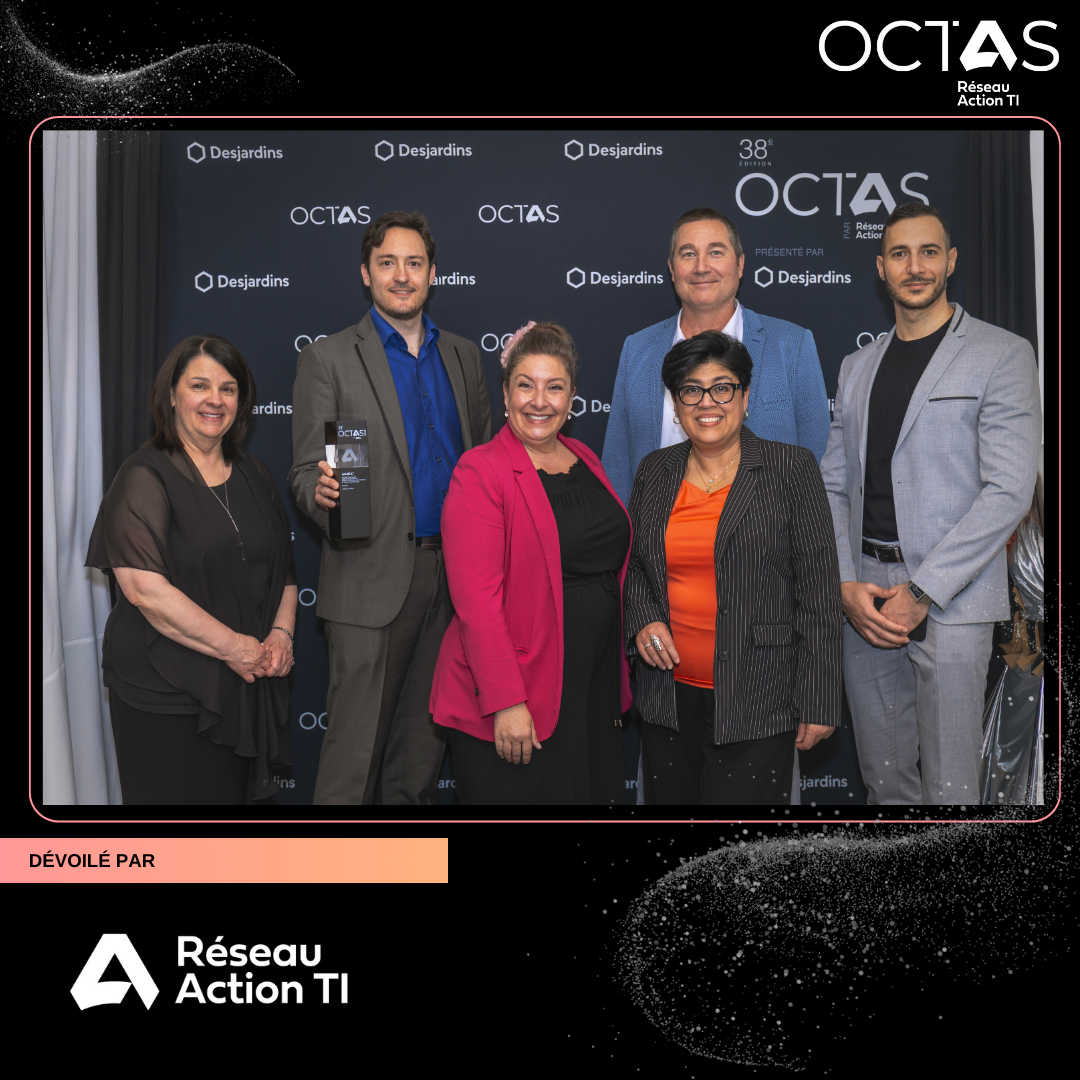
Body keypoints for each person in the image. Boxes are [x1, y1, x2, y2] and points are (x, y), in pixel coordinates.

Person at [820, 201, 1040, 805]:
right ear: (881, 268)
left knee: (951, 789)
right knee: (884, 782)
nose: (914, 266)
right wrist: (844, 582)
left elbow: (1009, 490)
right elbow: (833, 485)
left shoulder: (1002, 353)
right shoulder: (856, 367)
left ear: (951, 261)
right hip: (866, 598)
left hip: (953, 598)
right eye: (899, 254)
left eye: (928, 252)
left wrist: (921, 591)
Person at [289, 210, 491, 805]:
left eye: (414, 263)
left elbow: (481, 462)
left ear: (433, 274)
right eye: (387, 263)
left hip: (452, 580)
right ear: (365, 273)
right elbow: (305, 471)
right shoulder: (329, 358)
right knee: (352, 765)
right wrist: (321, 494)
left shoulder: (462, 355)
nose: (401, 276)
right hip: (368, 578)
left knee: (419, 764)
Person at [624, 330, 841, 804]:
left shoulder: (791, 468)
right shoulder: (654, 471)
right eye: (691, 390)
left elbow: (819, 592)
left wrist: (820, 699)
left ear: (745, 396)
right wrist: (643, 619)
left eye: (722, 388)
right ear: (676, 404)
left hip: (758, 698)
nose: (707, 402)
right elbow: (636, 566)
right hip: (667, 699)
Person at [85, 336, 295, 804]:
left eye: (228, 388)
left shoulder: (255, 473)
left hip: (243, 687)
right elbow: (144, 591)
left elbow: (284, 570)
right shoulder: (143, 477)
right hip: (166, 694)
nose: (214, 400)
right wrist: (235, 647)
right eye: (199, 385)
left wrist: (282, 636)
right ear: (172, 395)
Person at [430, 322, 632, 804]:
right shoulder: (481, 471)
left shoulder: (583, 456)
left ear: (572, 397)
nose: (539, 401)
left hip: (589, 686)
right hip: (520, 691)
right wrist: (506, 701)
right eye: (526, 385)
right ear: (505, 393)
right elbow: (477, 604)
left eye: (554, 387)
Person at [601, 206, 831, 508]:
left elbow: (821, 464)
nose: (701, 267)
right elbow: (617, 470)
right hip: (660, 534)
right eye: (688, 254)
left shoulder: (792, 345)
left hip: (765, 535)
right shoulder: (638, 349)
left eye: (716, 252)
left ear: (740, 264)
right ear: (672, 269)